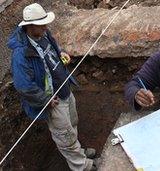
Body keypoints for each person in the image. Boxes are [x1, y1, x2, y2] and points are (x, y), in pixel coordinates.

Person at [8, 3, 97, 171]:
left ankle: (79, 152)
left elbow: (52, 49)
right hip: (52, 100)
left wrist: (60, 53)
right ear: (30, 26)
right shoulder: (21, 54)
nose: (46, 27)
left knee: (72, 123)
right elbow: (23, 86)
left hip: (64, 88)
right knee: (64, 135)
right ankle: (82, 166)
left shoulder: (42, 34)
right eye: (41, 25)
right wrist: (45, 100)